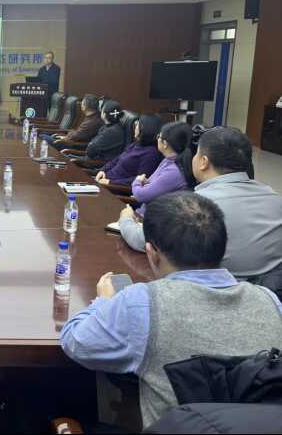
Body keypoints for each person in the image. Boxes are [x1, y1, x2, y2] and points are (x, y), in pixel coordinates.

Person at [61, 192, 282, 429]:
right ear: (224, 247)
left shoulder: (144, 302)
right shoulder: (270, 301)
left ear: (151, 253)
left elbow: (76, 341)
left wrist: (104, 302)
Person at [192, 126, 282, 282]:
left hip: (215, 289)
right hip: (271, 290)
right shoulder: (275, 198)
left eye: (196, 153)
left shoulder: (195, 206)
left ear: (204, 162)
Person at [118, 122, 194, 251]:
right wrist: (144, 184)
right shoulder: (167, 160)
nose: (156, 139)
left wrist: (137, 181)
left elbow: (141, 195)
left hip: (150, 225)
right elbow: (149, 184)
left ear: (165, 144)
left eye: (159, 136)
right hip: (142, 217)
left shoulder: (174, 170)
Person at [95, 114, 163, 187]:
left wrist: (110, 182)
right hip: (104, 180)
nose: (135, 127)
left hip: (115, 188)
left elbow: (140, 180)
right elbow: (116, 160)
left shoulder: (151, 154)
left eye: (137, 125)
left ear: (145, 129)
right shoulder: (136, 144)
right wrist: (103, 170)